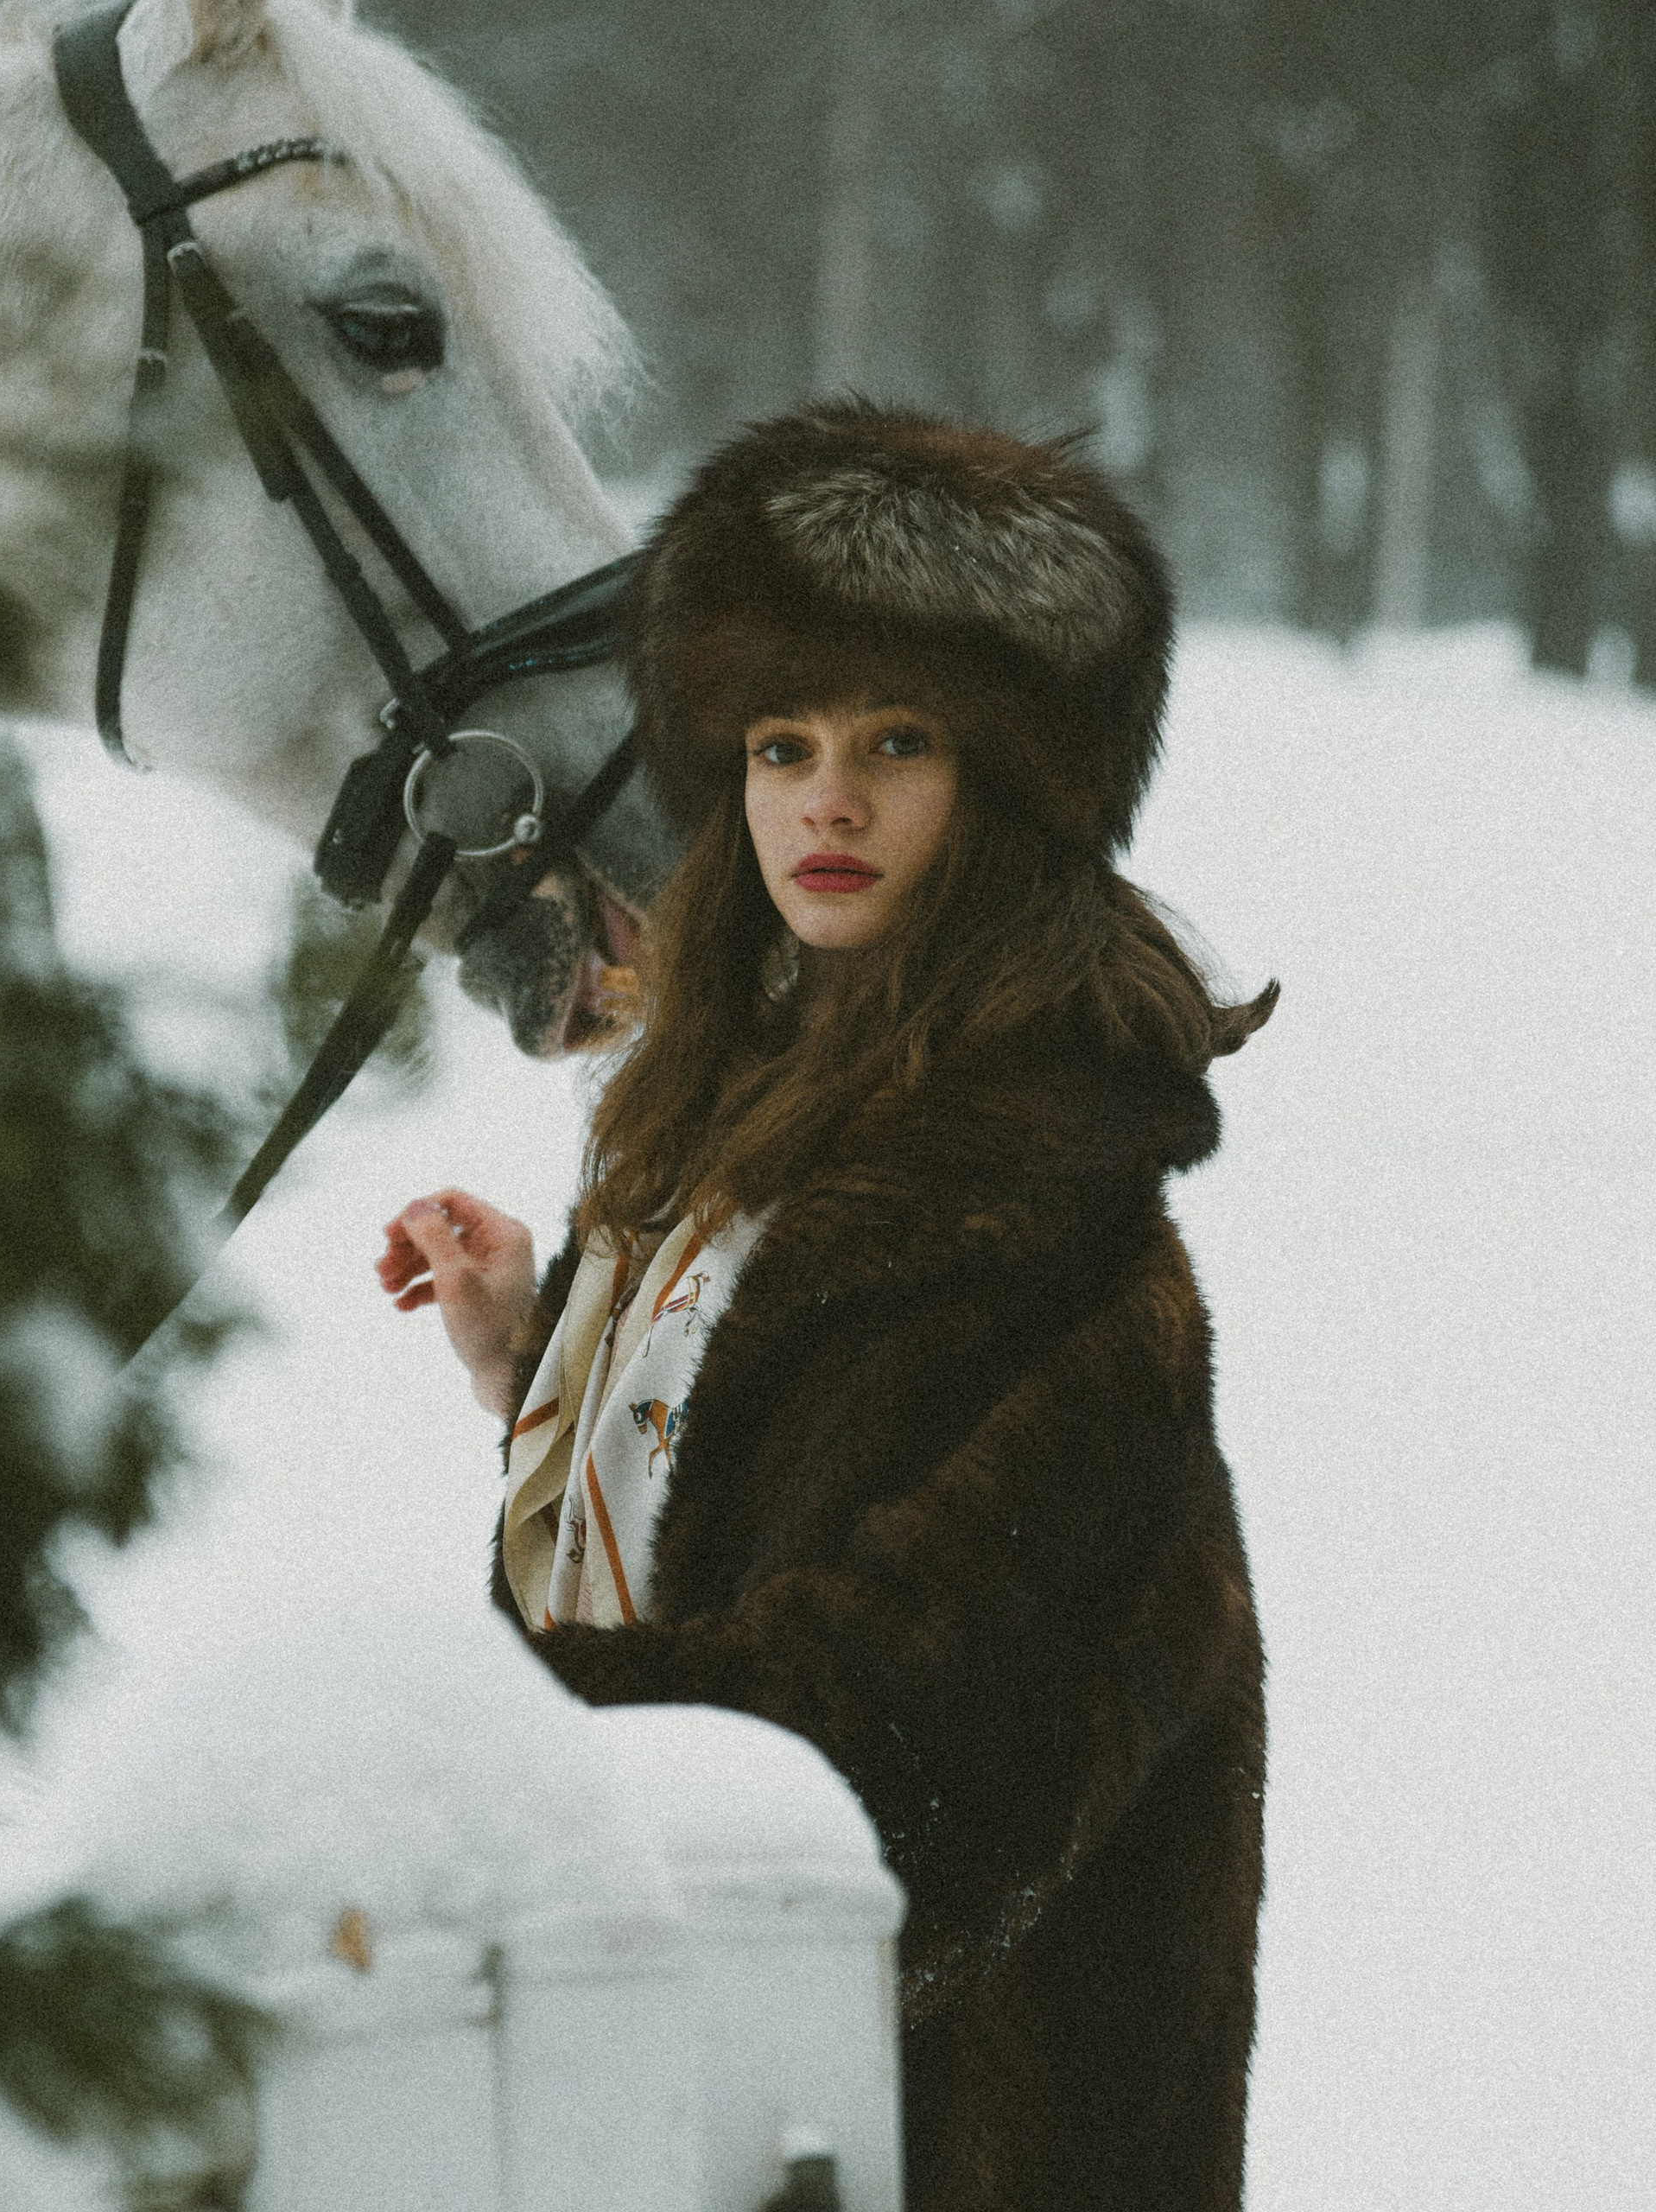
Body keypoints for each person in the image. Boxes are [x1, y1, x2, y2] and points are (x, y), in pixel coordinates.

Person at [376, 402, 1274, 2212]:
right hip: (741, 2094)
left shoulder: (1042, 1224)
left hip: (965, 2134)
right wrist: (547, 1362)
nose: (825, 800)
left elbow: (878, 1754)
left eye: (895, 740)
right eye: (778, 743)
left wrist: (449, 1757)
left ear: (1007, 779)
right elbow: (782, 1459)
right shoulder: (737, 1103)